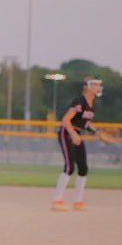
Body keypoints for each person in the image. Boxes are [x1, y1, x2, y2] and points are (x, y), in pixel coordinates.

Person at [51, 76, 103, 212]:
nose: (98, 87)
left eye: (99, 84)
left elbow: (85, 123)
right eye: (96, 84)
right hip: (66, 133)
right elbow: (65, 120)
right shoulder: (80, 101)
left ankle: (78, 202)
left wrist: (97, 131)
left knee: (83, 168)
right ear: (88, 87)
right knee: (69, 167)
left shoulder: (93, 105)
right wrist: (73, 134)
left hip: (77, 134)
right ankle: (57, 201)